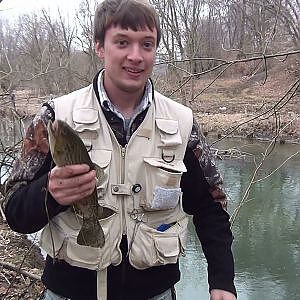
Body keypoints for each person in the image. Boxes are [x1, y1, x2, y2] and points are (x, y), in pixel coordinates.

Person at [3, 0, 236, 299]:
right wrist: (49, 195)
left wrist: (222, 281)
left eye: (147, 44)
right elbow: (14, 211)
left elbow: (210, 208)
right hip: (69, 292)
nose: (136, 56)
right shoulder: (54, 120)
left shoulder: (181, 124)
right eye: (123, 42)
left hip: (156, 294)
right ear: (100, 46)